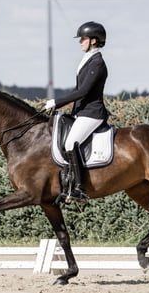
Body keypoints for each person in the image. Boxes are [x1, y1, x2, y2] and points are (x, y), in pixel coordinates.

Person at [45, 21, 109, 201]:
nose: (80, 41)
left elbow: (82, 92)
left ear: (94, 40)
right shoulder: (88, 60)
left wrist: (56, 102)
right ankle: (67, 184)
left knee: (70, 143)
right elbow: (77, 90)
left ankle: (79, 189)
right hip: (82, 112)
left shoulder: (97, 63)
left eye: (83, 38)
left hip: (92, 113)